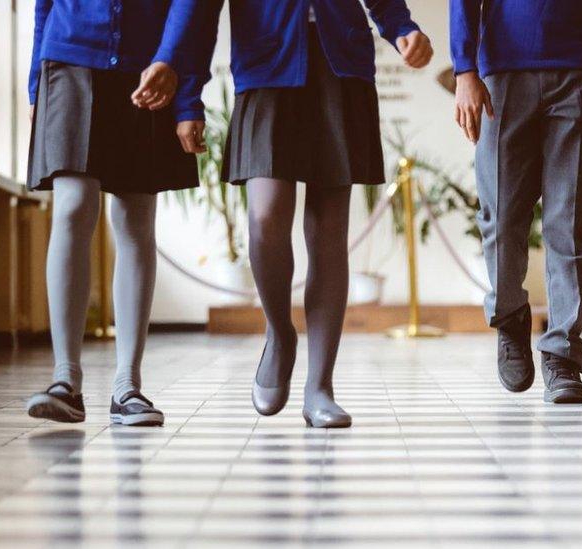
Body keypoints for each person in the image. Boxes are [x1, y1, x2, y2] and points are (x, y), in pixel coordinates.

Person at [191, 0, 433, 427]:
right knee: (265, 217)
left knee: (328, 232)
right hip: (267, 62)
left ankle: (320, 386)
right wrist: (186, 95)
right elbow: (196, 11)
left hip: (341, 64)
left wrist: (401, 28)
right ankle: (280, 333)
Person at [450, 0, 582, 403]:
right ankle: (510, 317)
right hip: (501, 75)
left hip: (577, 75)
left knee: (567, 219)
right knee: (500, 217)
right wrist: (464, 69)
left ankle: (562, 355)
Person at [25, 0, 208, 426]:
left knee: (135, 218)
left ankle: (128, 385)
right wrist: (37, 85)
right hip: (67, 59)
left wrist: (187, 98)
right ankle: (65, 381)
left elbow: (193, 8)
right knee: (72, 206)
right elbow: (43, 5)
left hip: (151, 66)